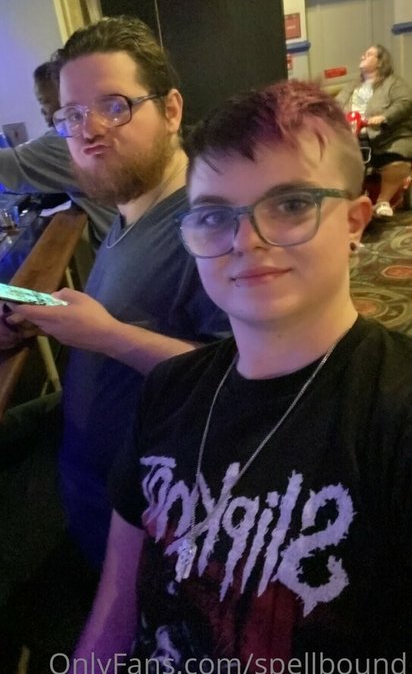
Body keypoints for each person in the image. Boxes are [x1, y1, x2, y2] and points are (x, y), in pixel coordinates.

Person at [74, 80, 411, 669]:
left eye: (291, 205)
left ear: (355, 222)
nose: (246, 241)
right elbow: (117, 606)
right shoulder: (168, 390)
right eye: (213, 215)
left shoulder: (394, 414)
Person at [0, 16, 228, 666]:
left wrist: (106, 334)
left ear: (171, 110)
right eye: (73, 115)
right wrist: (38, 312)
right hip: (80, 470)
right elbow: (125, 321)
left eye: (114, 106)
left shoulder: (209, 228)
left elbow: (250, 388)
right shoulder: (133, 211)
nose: (90, 130)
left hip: (125, 523)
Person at [0, 61, 114, 247]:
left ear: (64, 96)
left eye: (44, 101)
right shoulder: (76, 133)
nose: (42, 110)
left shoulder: (66, 142)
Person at [336, 44, 412, 219]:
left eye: (368, 54)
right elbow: (336, 104)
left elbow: (405, 102)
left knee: (396, 161)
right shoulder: (352, 86)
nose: (363, 56)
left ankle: (383, 201)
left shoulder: (394, 83)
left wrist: (384, 117)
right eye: (363, 54)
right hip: (353, 137)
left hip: (385, 137)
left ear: (380, 62)